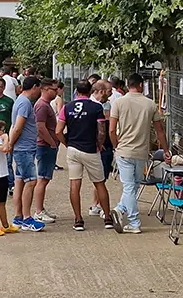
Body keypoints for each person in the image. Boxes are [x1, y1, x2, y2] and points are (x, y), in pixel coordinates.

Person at [108, 73, 170, 234]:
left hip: (124, 150)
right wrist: (166, 150)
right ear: (141, 85)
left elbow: (112, 129)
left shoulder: (119, 103)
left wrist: (116, 145)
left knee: (129, 186)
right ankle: (120, 209)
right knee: (134, 185)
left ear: (128, 84)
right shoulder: (150, 104)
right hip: (142, 152)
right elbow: (160, 131)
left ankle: (134, 221)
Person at [55, 80, 113, 231]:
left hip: (73, 149)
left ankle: (78, 219)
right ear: (90, 91)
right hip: (91, 149)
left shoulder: (67, 107)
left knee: (75, 184)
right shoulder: (96, 107)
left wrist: (66, 143)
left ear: (76, 91)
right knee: (99, 183)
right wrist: (99, 145)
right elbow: (101, 131)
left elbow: (58, 131)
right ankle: (107, 218)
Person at [9, 76, 45, 231]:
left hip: (21, 147)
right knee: (30, 182)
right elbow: (17, 127)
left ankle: (18, 216)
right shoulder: (24, 103)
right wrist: (10, 143)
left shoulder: (19, 101)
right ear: (35, 87)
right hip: (24, 148)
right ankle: (26, 217)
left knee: (20, 181)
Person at [32, 78, 61, 223]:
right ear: (45, 89)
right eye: (54, 90)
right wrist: (51, 142)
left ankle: (40, 208)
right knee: (42, 178)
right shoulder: (42, 106)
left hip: (47, 144)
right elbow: (40, 127)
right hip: (45, 145)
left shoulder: (45, 105)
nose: (56, 92)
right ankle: (38, 211)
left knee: (45, 178)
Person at [88, 80, 115, 216]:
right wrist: (100, 143)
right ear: (102, 91)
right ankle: (98, 205)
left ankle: (96, 204)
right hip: (101, 147)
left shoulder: (104, 104)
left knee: (101, 177)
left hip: (104, 146)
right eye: (109, 91)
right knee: (100, 178)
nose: (110, 95)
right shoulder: (95, 106)